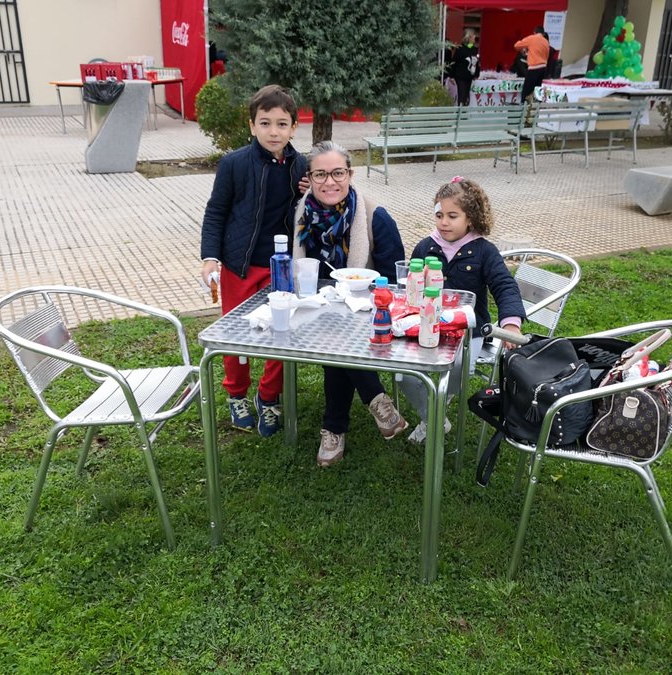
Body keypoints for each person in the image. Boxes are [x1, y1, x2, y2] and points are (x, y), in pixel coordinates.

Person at [200, 84, 308, 437]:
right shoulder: (233, 164)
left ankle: (269, 396)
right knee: (237, 336)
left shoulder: (301, 167)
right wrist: (210, 257)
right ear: (252, 125)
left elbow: (310, 210)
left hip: (281, 267)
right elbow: (216, 212)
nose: (273, 132)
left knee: (282, 333)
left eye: (281, 124)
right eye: (265, 123)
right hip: (239, 266)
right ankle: (236, 395)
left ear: (293, 127)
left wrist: (309, 191)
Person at [292, 141, 408, 467]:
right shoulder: (301, 215)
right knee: (333, 332)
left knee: (337, 340)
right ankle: (377, 399)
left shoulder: (375, 217)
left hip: (369, 314)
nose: (330, 182)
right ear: (310, 178)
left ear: (350, 174)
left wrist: (363, 301)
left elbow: (393, 282)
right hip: (317, 311)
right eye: (320, 174)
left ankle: (333, 428)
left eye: (338, 173)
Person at [399, 177, 526, 444]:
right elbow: (410, 288)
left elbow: (505, 286)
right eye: (439, 215)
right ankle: (434, 418)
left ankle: (432, 412)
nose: (444, 222)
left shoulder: (484, 251)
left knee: (457, 371)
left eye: (452, 216)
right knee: (403, 374)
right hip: (426, 325)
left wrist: (511, 323)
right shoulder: (425, 247)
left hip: (469, 332)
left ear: (471, 218)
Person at [514, 26, 550, 103]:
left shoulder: (532, 38)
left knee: (527, 90)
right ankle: (533, 107)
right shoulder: (546, 42)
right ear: (543, 34)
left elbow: (517, 45)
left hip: (534, 68)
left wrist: (524, 50)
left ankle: (524, 106)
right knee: (536, 90)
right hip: (543, 68)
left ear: (534, 32)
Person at [449, 30, 480, 106]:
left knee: (467, 98)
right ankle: (461, 111)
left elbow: (477, 63)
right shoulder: (460, 49)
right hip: (461, 77)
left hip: (470, 77)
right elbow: (454, 62)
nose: (475, 37)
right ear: (469, 37)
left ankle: (464, 111)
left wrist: (476, 74)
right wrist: (451, 76)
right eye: (473, 36)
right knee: (462, 97)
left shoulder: (474, 49)